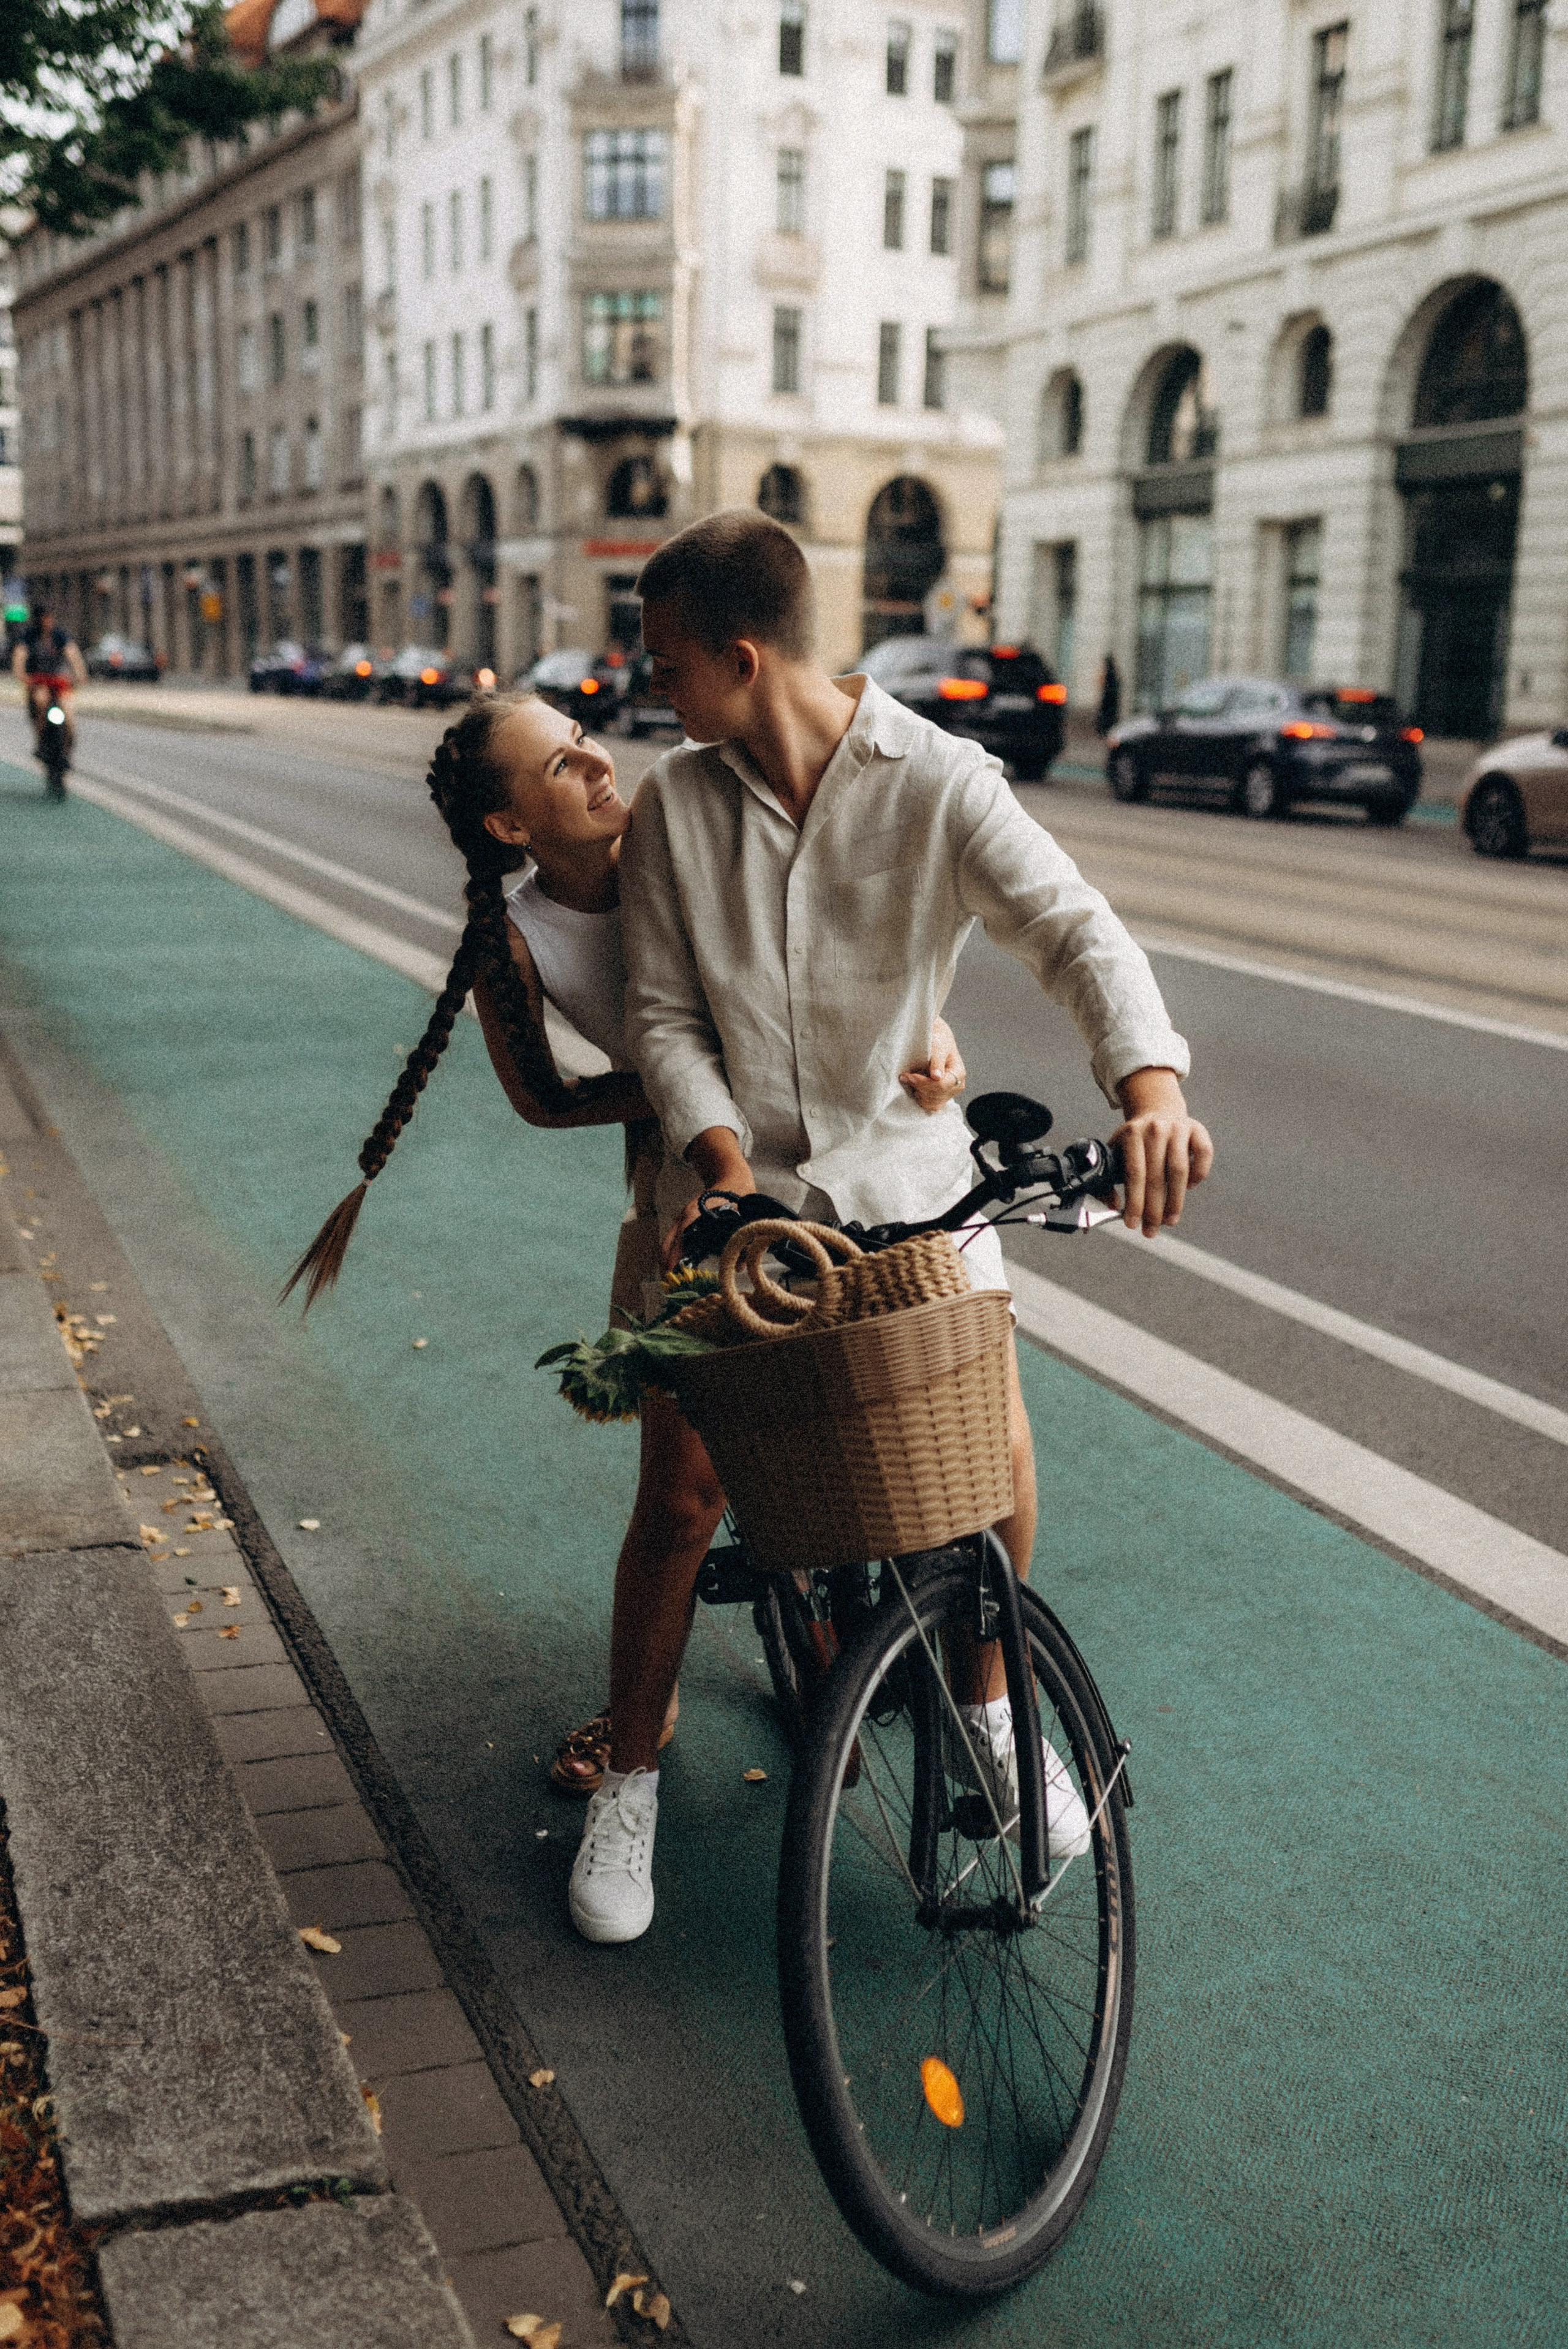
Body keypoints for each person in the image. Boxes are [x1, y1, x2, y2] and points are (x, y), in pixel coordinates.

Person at [565, 510, 1213, 1944]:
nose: (650, 689)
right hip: (736, 1198)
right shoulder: (677, 804)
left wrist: (1151, 1090)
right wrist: (722, 1160)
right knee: (678, 1500)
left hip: (909, 1184)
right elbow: (663, 1010)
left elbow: (1074, 929)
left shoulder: (937, 780)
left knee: (976, 1472)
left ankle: (986, 1717)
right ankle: (629, 1775)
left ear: (741, 659)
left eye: (666, 661)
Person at [282, 689, 968, 1815]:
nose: (599, 763)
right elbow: (544, 1096)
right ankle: (634, 1755)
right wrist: (684, 1093)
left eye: (585, 740)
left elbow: (855, 942)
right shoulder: (516, 936)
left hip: (843, 1164)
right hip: (694, 1198)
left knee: (863, 1430)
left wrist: (931, 1037)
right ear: (511, 826)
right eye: (561, 764)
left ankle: (853, 1648)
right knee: (684, 1498)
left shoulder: (686, 824)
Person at [12, 603, 87, 763]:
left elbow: (72, 653)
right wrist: (22, 675)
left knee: (69, 713)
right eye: (45, 618)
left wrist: (80, 674)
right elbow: (20, 655)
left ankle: (68, 747)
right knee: (41, 701)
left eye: (50, 618)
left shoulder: (59, 635)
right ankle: (41, 741)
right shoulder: (30, 636)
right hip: (38, 682)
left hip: (59, 682)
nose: (48, 621)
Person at [1095, 650, 1121, 737]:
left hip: (1109, 698)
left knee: (1107, 715)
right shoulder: (1114, 673)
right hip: (1111, 699)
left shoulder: (1110, 673)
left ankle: (1105, 730)